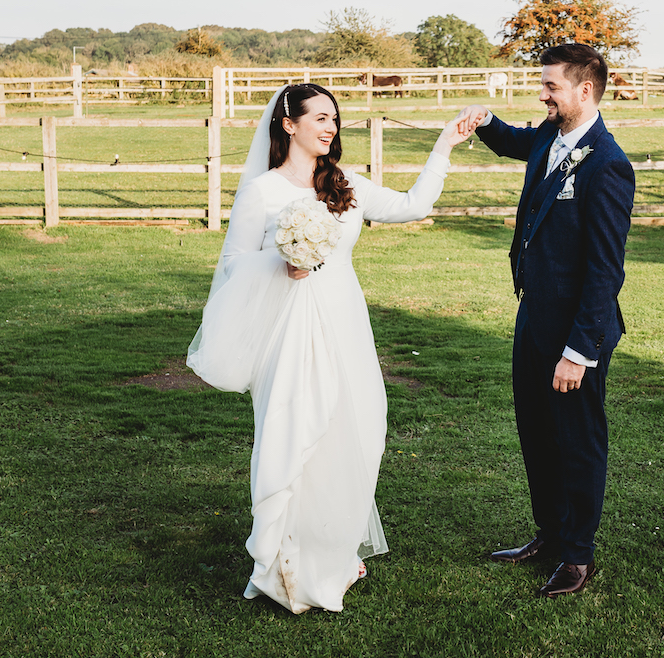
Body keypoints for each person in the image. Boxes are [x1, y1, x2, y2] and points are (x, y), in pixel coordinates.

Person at [187, 83, 471, 613]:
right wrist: (284, 262)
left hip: (344, 321)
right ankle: (285, 565)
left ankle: (333, 550)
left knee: (355, 430)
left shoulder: (347, 185)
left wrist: (443, 148)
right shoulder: (262, 193)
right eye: (319, 117)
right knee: (294, 435)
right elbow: (230, 265)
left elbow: (413, 205)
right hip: (289, 328)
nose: (330, 127)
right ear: (288, 124)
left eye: (334, 119)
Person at [457, 44, 635, 597]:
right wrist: (485, 122)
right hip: (533, 318)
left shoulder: (607, 164)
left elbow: (605, 272)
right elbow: (514, 140)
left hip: (576, 334)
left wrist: (579, 350)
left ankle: (578, 555)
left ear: (584, 91)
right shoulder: (548, 137)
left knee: (577, 441)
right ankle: (550, 534)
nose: (542, 94)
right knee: (537, 434)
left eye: (551, 86)